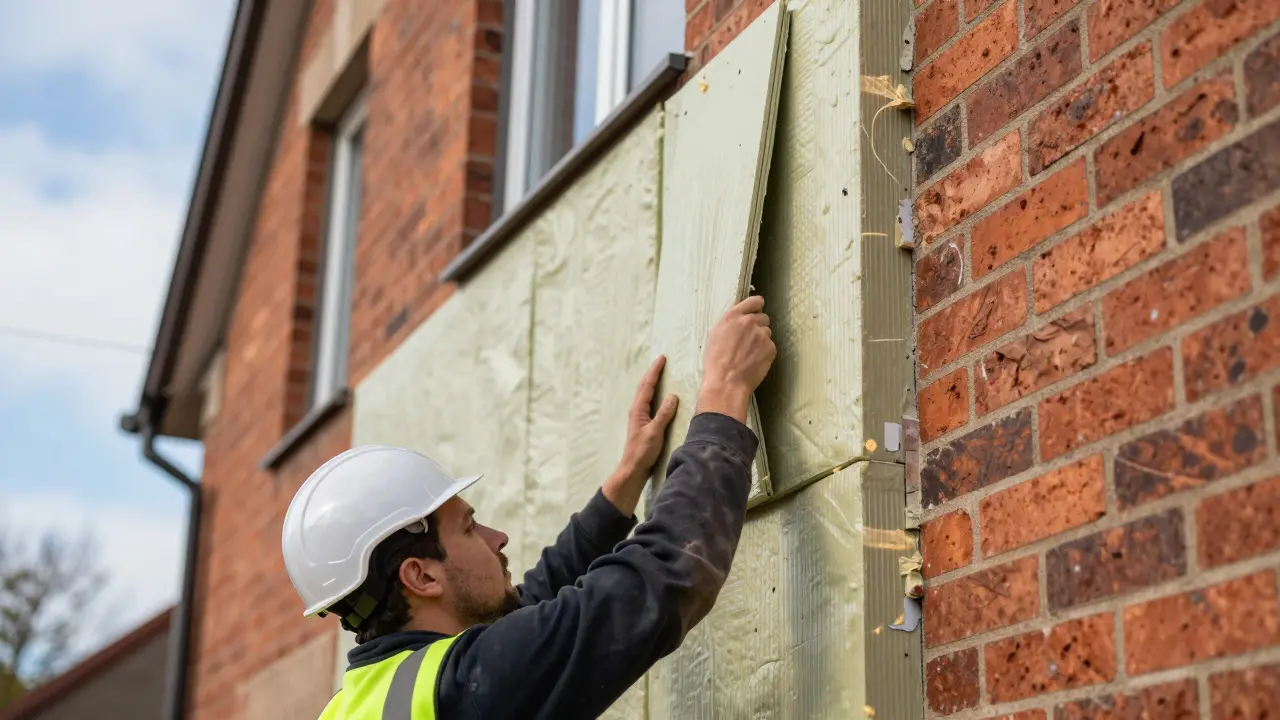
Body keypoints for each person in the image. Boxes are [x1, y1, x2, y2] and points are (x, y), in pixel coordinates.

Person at [281, 295, 777, 719]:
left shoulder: (366, 701)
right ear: (422, 576)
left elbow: (528, 604)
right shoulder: (468, 687)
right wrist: (724, 393)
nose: (498, 537)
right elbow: (663, 577)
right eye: (469, 527)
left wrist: (622, 484)